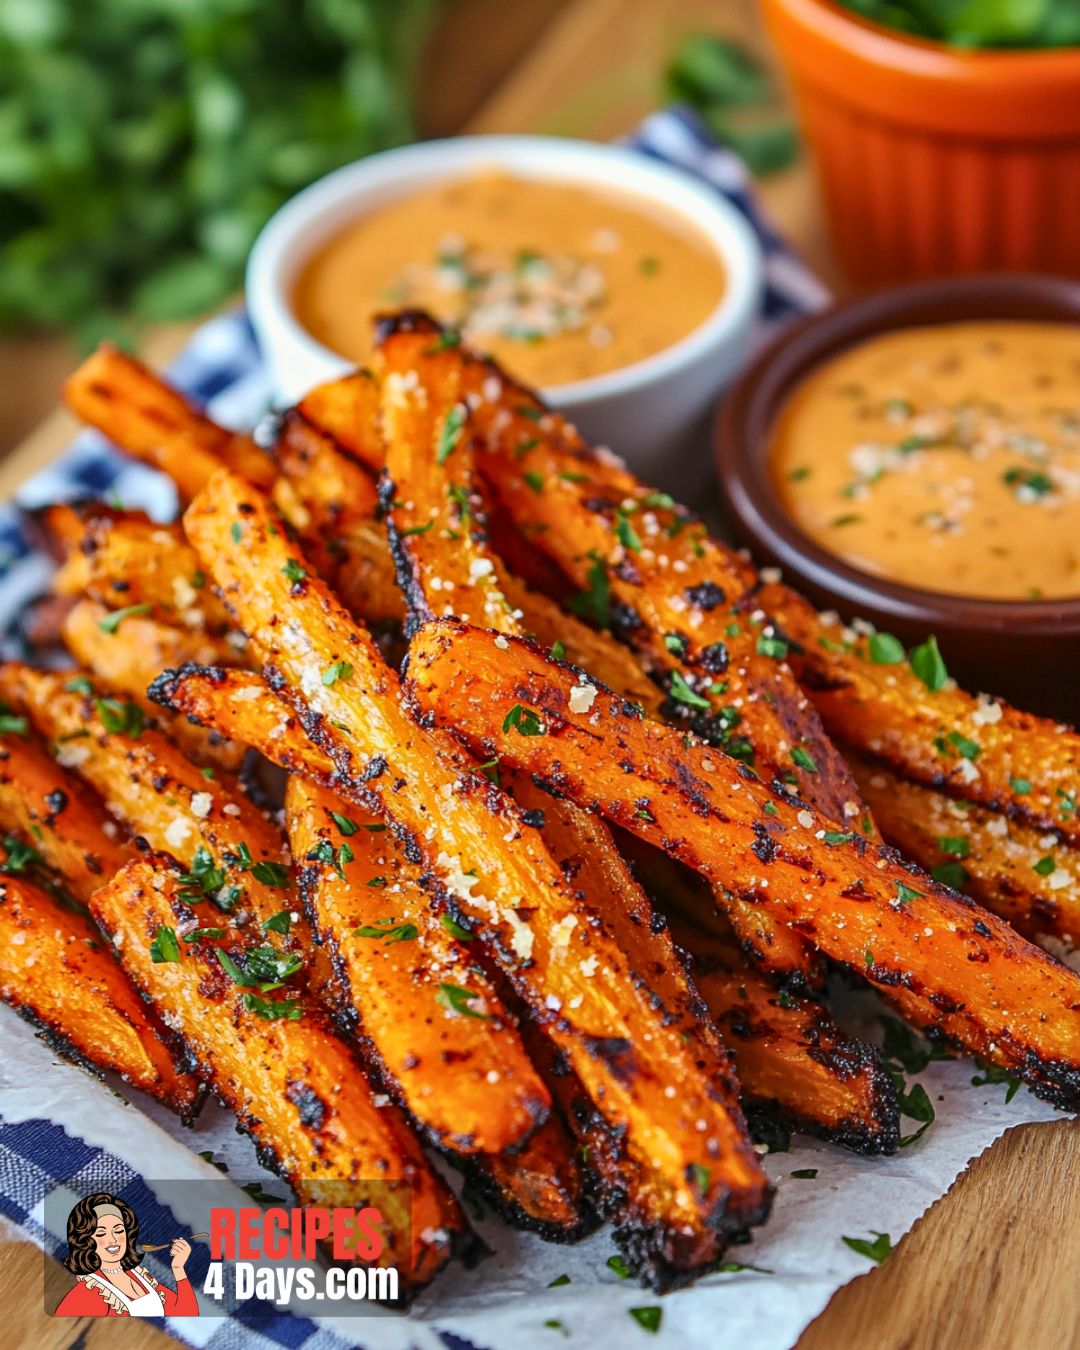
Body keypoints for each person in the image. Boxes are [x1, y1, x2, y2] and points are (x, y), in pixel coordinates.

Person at [53, 1191, 198, 1317]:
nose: (113, 1239)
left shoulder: (141, 1277)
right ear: (85, 1241)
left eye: (118, 1231)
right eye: (101, 1233)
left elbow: (188, 1316)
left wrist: (178, 1270)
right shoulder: (89, 1292)